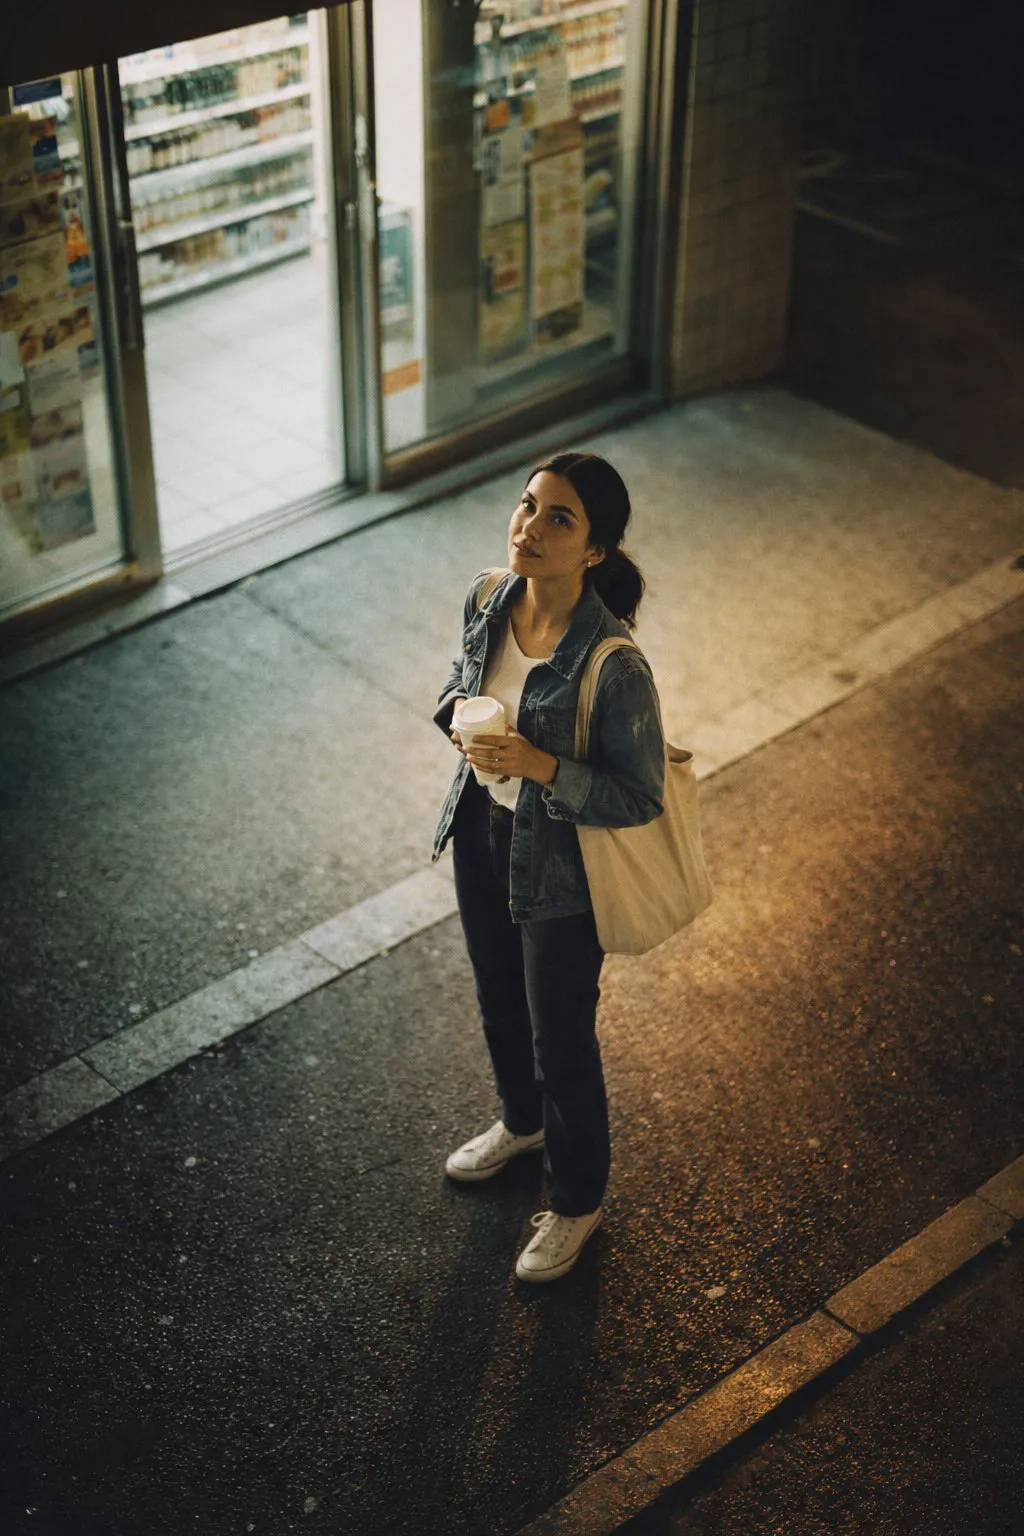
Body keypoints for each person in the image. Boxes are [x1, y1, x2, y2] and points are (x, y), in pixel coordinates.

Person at [432, 451, 667, 1283]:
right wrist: (463, 725)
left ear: (594, 550)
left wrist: (538, 766)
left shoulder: (615, 662)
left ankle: (577, 1202)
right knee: (497, 992)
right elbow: (463, 685)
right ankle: (520, 1124)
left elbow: (640, 796)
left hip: (561, 864)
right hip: (482, 829)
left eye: (559, 519)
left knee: (560, 1033)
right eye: (529, 506)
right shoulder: (490, 595)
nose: (530, 527)